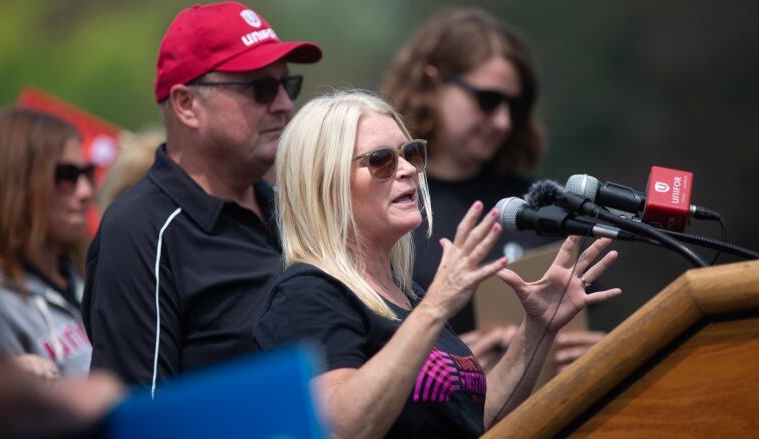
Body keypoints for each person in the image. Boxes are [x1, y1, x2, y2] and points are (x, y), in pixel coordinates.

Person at [253, 91, 621, 438]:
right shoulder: (306, 294)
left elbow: (474, 423)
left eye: (410, 154)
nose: (408, 170)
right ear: (325, 185)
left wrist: (538, 330)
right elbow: (344, 428)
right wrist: (437, 306)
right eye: (381, 160)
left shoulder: (408, 292)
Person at [82, 1, 322, 390]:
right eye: (260, 87)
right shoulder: (139, 230)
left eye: (287, 85)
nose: (284, 105)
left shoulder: (289, 210)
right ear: (186, 104)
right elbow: (143, 416)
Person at [381, 8, 604, 371]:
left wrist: (599, 355)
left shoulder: (542, 203)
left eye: (514, 107)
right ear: (431, 83)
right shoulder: (388, 203)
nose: (502, 121)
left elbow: (586, 324)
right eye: (487, 100)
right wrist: (439, 364)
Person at [0, 107, 94, 378]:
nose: (86, 191)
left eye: (88, 173)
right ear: (18, 184)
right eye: (67, 176)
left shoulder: (94, 274)